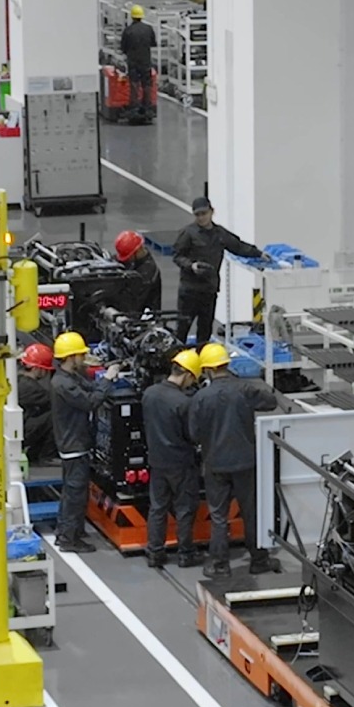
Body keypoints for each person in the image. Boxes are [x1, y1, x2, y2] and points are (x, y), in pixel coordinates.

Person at [188, 341, 280, 577]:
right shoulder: (243, 389)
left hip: (215, 464)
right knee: (251, 512)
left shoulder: (201, 397)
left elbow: (193, 433)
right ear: (226, 365)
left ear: (208, 369)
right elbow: (271, 402)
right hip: (245, 463)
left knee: (219, 516)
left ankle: (220, 565)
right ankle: (259, 560)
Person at [171, 197, 263, 345]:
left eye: (204, 213)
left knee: (205, 330)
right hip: (189, 291)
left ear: (211, 212)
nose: (201, 217)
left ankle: (202, 356)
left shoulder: (220, 234)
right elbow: (177, 256)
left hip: (209, 290)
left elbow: (238, 246)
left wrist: (259, 254)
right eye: (198, 215)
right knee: (182, 329)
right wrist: (191, 265)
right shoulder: (188, 233)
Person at [144, 348, 205, 569]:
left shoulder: (149, 393)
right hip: (181, 463)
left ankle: (155, 552)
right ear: (187, 374)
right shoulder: (183, 402)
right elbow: (193, 434)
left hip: (157, 460)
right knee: (184, 509)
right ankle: (186, 554)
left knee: (157, 507)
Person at [50, 331, 108, 553]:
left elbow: (89, 387)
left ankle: (68, 531)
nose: (84, 358)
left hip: (73, 443)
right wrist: (108, 381)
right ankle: (68, 538)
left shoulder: (69, 377)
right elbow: (90, 402)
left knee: (71, 492)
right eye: (81, 355)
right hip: (74, 446)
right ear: (71, 356)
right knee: (75, 494)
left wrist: (104, 376)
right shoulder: (64, 384)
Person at [108, 229, 164, 318]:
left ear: (138, 251)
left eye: (128, 257)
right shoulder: (133, 260)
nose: (127, 259)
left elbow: (132, 304)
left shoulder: (147, 273)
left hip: (141, 317)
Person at [18, 343, 56, 463]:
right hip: (20, 431)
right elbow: (54, 401)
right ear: (37, 369)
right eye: (45, 370)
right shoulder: (31, 388)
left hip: (12, 428)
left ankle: (34, 454)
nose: (46, 373)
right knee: (54, 417)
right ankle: (46, 455)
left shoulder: (18, 379)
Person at [119, 5, 156, 125]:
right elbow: (153, 43)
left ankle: (134, 109)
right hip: (145, 61)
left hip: (133, 62)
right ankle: (147, 109)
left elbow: (123, 48)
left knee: (134, 85)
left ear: (132, 17)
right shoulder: (148, 29)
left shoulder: (128, 31)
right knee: (147, 85)